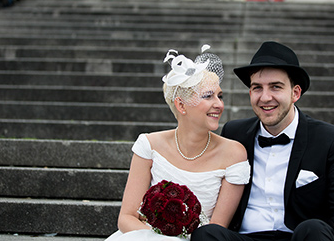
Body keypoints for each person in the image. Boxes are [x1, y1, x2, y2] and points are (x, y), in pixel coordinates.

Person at [191, 41, 334, 241]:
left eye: (275, 87)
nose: (265, 97)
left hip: (300, 237)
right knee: (206, 234)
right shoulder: (234, 133)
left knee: (314, 229)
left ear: (295, 93)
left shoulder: (331, 140)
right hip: (246, 237)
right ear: (250, 93)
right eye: (257, 88)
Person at [105, 45, 250, 241]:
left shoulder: (234, 154)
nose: (219, 104)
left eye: (220, 96)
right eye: (208, 96)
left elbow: (217, 230)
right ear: (181, 105)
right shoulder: (149, 145)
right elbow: (126, 217)